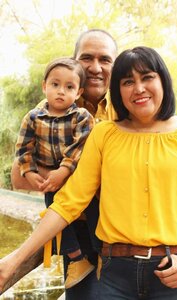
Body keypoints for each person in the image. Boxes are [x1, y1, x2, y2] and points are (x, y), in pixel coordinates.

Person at [1, 46, 177, 300]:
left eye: (147, 77)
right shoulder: (104, 134)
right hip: (114, 279)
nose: (138, 88)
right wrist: (15, 259)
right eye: (128, 81)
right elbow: (69, 202)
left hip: (176, 276)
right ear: (117, 90)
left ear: (163, 79)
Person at [10, 29, 118, 299]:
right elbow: (19, 178)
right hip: (74, 226)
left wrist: (71, 175)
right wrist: (74, 175)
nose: (95, 67)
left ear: (115, 66)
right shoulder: (48, 107)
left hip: (118, 228)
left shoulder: (126, 105)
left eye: (105, 59)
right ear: (74, 61)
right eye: (86, 58)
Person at [14, 56, 97, 288]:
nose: (61, 91)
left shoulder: (81, 117)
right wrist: (29, 172)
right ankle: (76, 259)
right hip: (51, 181)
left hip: (77, 180)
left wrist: (64, 170)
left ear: (79, 92)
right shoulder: (33, 117)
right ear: (44, 86)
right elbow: (23, 148)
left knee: (93, 216)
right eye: (55, 84)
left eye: (69, 87)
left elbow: (81, 146)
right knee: (55, 217)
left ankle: (100, 254)